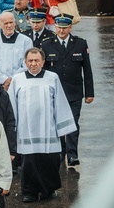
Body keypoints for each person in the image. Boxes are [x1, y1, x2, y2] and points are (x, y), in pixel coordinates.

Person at [9, 48, 76, 202]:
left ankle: (49, 190)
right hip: (26, 130)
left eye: (37, 60)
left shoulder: (52, 77)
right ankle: (29, 192)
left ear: (43, 62)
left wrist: (62, 128)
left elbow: (60, 102)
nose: (33, 64)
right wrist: (13, 128)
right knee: (28, 162)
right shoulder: (17, 79)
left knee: (49, 161)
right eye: (30, 61)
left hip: (48, 129)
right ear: (25, 62)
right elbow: (12, 105)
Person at [40, 14, 93, 167]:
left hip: (74, 91)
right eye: (59, 27)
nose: (62, 31)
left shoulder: (80, 44)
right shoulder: (47, 44)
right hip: (54, 93)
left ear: (70, 28)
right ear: (55, 27)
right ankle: (60, 152)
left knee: (73, 123)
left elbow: (87, 70)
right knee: (56, 123)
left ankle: (72, 155)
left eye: (65, 28)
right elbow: (43, 71)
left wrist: (89, 93)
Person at [0, 10, 33, 90]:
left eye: (11, 22)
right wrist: (4, 80)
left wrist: (12, 80)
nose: (9, 25)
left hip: (20, 83)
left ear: (15, 23)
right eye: (6, 23)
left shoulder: (26, 41)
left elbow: (27, 64)